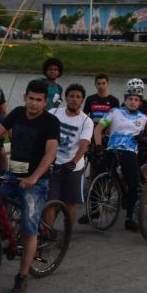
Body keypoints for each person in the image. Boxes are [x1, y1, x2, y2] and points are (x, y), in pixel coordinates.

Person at [0, 80, 60, 293]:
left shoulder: (51, 122)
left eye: (38, 100)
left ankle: (22, 276)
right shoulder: (16, 113)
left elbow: (50, 154)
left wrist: (34, 177)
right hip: (12, 174)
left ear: (44, 102)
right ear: (25, 97)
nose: (33, 103)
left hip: (36, 181)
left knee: (28, 228)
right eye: (31, 98)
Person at [93, 80, 147, 231]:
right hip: (112, 149)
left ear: (140, 102)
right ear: (125, 99)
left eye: (136, 100)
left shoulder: (143, 118)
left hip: (130, 152)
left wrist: (142, 138)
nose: (132, 102)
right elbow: (98, 129)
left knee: (133, 184)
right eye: (130, 99)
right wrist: (98, 146)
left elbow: (146, 136)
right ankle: (93, 211)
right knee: (98, 176)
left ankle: (130, 217)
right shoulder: (114, 112)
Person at [48, 84, 94, 226]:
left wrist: (73, 162)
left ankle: (68, 233)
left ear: (82, 100)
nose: (74, 99)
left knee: (69, 203)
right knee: (50, 203)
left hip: (72, 167)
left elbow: (84, 144)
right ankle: (46, 233)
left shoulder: (86, 121)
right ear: (66, 98)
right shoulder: (54, 112)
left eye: (78, 97)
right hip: (52, 164)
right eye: (71, 96)